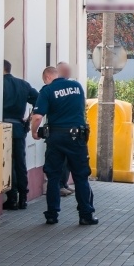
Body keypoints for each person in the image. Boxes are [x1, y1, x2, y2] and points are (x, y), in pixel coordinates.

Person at [31, 66, 98, 225]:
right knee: (80, 176)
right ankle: (86, 215)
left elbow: (37, 117)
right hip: (77, 137)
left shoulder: (47, 90)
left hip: (55, 137)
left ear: (47, 78)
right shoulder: (77, 86)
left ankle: (52, 215)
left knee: (53, 177)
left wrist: (34, 132)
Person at [2, 60, 39, 211]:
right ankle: (23, 198)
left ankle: (12, 198)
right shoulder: (23, 84)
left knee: (7, 164)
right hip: (18, 127)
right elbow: (38, 99)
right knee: (20, 163)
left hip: (2, 128)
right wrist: (29, 117)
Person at [56, 61, 75, 198]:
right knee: (60, 162)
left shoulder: (75, 87)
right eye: (66, 71)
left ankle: (64, 184)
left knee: (67, 162)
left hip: (72, 132)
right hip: (58, 132)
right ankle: (60, 185)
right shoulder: (51, 89)